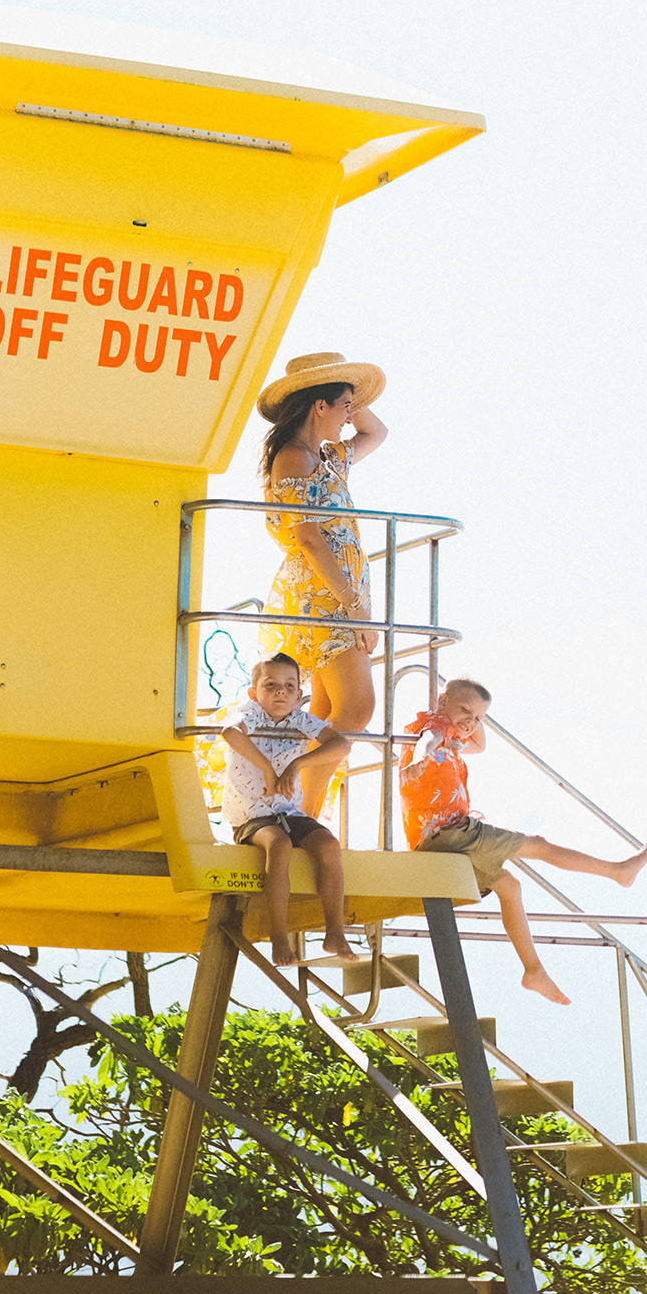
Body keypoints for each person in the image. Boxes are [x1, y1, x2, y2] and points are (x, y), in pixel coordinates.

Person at [399, 679, 647, 1005]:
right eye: (465, 710)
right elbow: (429, 737)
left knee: (510, 887)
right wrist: (420, 756)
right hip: (456, 833)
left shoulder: (454, 736)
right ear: (442, 700)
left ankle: (533, 971)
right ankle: (617, 871)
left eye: (478, 718)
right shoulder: (436, 727)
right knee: (540, 845)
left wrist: (471, 718)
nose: (471, 722)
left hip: (437, 843)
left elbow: (478, 745)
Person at [256, 352, 387, 821]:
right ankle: (303, 812)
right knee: (357, 710)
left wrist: (349, 386)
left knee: (329, 715)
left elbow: (377, 433)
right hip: (323, 600)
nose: (351, 415)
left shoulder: (329, 458)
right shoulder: (295, 457)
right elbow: (307, 536)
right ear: (319, 407)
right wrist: (354, 605)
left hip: (340, 596)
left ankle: (302, 813)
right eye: (344, 405)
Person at [221, 652, 354, 966]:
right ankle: (278, 934)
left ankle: (335, 931)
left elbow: (341, 744)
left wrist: (298, 764)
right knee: (279, 845)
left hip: (289, 812)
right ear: (255, 693)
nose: (280, 692)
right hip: (252, 815)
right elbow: (230, 733)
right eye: (270, 685)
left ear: (298, 694)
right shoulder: (250, 712)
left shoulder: (299, 717)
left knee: (328, 845)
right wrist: (267, 769)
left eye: (288, 686)